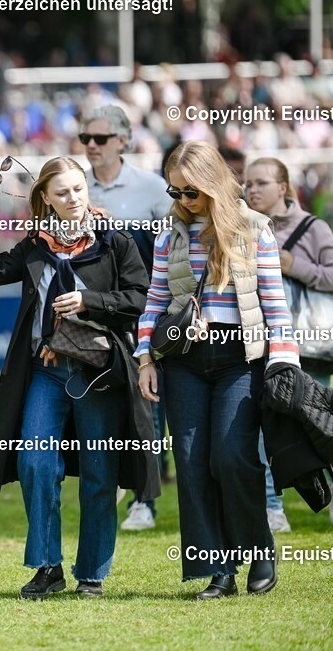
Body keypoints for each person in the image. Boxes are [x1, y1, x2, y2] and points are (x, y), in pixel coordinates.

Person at [0, 156, 160, 599]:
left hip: (99, 372)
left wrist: (90, 302)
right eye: (62, 193)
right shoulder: (36, 243)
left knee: (99, 474)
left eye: (78, 188)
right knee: (34, 463)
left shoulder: (115, 239)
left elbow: (140, 296)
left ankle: (92, 572)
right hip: (44, 370)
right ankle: (47, 567)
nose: (73, 198)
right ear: (46, 199)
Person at [137, 141, 299, 599]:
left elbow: (275, 304)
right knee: (191, 464)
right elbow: (155, 301)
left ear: (213, 184)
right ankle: (218, 569)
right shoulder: (168, 235)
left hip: (239, 358)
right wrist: (145, 358)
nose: (183, 200)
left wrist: (283, 361)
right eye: (175, 192)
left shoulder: (255, 228)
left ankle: (259, 548)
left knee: (231, 457)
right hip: (183, 361)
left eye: (191, 192)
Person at [82, 105, 172, 530]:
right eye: (85, 138)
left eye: (99, 138)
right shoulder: (74, 187)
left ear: (122, 140)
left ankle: (144, 500)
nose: (91, 145)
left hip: (144, 311)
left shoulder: (152, 188)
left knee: (148, 405)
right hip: (91, 316)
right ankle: (112, 484)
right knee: (103, 405)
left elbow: (173, 249)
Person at [246, 157, 333, 533]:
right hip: (263, 346)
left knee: (322, 424)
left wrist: (293, 264)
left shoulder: (315, 228)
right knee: (265, 428)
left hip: (311, 344)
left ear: (282, 187)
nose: (252, 189)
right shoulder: (243, 226)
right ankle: (272, 507)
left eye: (261, 183)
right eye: (248, 183)